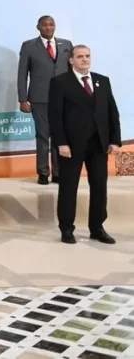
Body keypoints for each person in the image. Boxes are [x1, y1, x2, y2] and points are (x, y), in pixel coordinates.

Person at [48, 45, 120, 245]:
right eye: (80, 57)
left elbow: (112, 112)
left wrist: (114, 140)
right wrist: (61, 143)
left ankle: (97, 228)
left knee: (99, 187)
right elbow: (55, 116)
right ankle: (66, 229)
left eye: (87, 56)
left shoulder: (102, 81)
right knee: (68, 187)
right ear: (71, 60)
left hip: (99, 144)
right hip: (71, 146)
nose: (85, 59)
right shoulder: (59, 82)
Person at [17, 15, 73, 185]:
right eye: (44, 25)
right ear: (38, 27)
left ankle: (58, 173)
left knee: (59, 136)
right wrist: (22, 99)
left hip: (63, 98)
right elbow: (22, 74)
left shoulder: (67, 44)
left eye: (51, 24)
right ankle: (43, 172)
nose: (48, 27)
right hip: (39, 98)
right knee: (42, 135)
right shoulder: (29, 46)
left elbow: (72, 73)